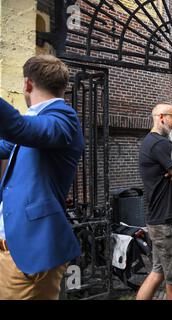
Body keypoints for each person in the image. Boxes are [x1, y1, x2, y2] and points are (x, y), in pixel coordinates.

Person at [0, 55, 84, 299]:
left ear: (27, 84)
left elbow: (19, 129)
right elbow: (6, 143)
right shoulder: (34, 123)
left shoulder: (64, 118)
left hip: (27, 255)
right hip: (11, 250)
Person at [136, 103, 172, 300]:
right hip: (169, 222)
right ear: (161, 117)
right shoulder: (161, 144)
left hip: (157, 219)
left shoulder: (149, 142)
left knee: (157, 273)